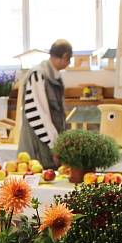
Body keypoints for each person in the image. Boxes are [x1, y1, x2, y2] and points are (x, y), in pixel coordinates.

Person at [18, 39, 72, 169]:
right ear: (64, 56)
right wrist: (55, 145)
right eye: (69, 60)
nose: (68, 64)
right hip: (37, 147)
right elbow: (38, 113)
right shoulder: (38, 75)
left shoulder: (54, 77)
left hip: (50, 145)